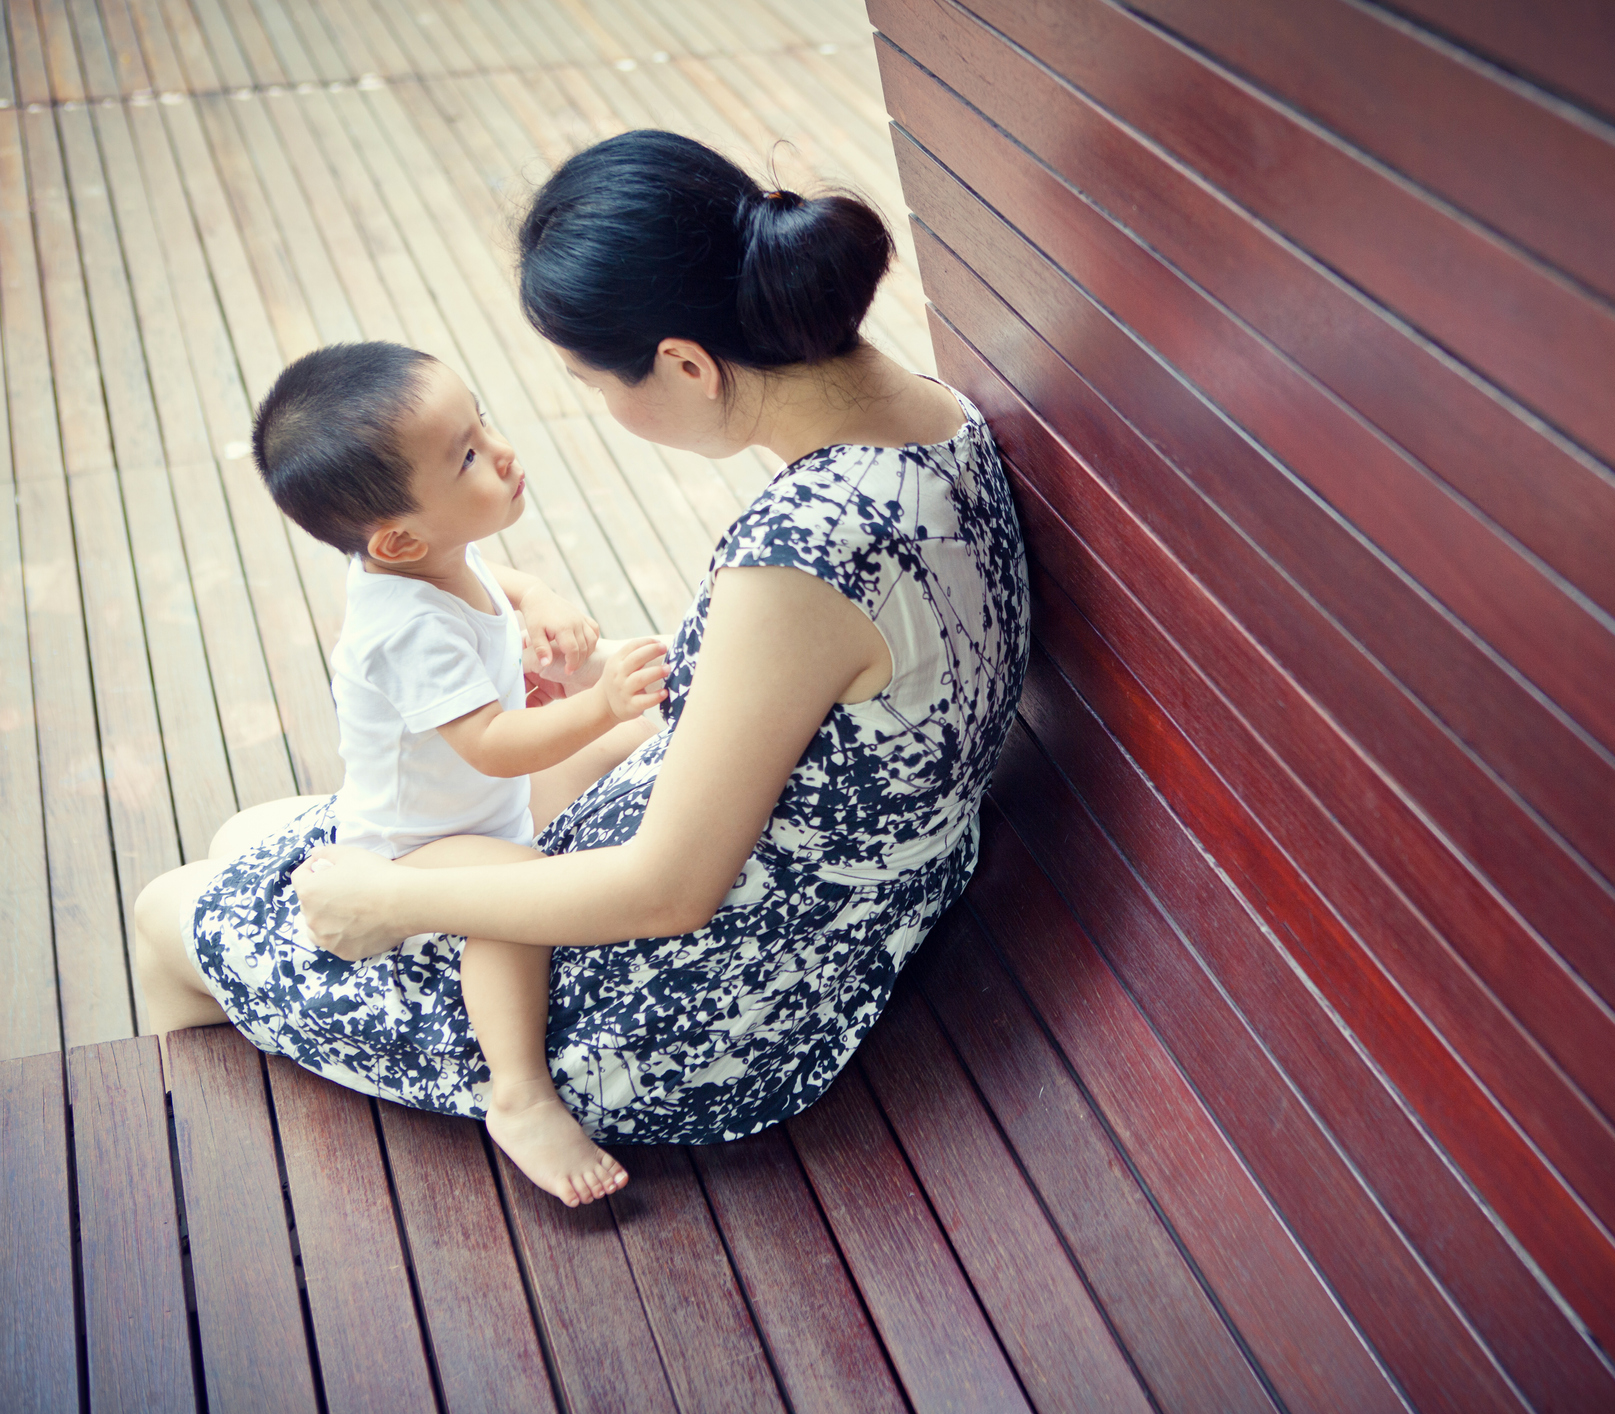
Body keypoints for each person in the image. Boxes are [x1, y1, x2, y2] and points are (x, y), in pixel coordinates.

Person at [132, 128, 1030, 1163]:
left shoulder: (802, 558)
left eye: (595, 383)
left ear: (687, 364)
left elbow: (667, 890)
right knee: (253, 834)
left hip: (698, 1013)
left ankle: (215, 1196)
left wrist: (395, 900)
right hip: (842, 903)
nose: (597, 409)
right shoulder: (933, 419)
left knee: (169, 913)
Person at [240, 342, 669, 1205]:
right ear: (396, 539)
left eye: (480, 425)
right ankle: (518, 1094)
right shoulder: (403, 625)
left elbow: (488, 575)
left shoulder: (433, 552)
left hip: (489, 804)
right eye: (468, 455)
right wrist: (597, 704)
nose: (502, 451)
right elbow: (494, 743)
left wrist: (539, 599)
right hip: (417, 847)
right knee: (521, 898)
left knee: (644, 739)